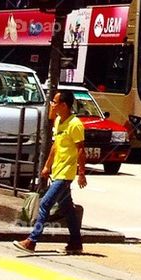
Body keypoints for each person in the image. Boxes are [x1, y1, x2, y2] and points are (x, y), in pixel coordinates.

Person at [14, 89, 86, 254]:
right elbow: (55, 145)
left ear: (65, 105)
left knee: (45, 203)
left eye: (55, 102)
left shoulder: (75, 124)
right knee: (67, 209)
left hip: (66, 173)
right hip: (57, 170)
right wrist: (47, 166)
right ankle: (76, 242)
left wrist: (81, 173)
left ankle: (32, 240)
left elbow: (81, 150)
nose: (52, 105)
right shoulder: (59, 120)